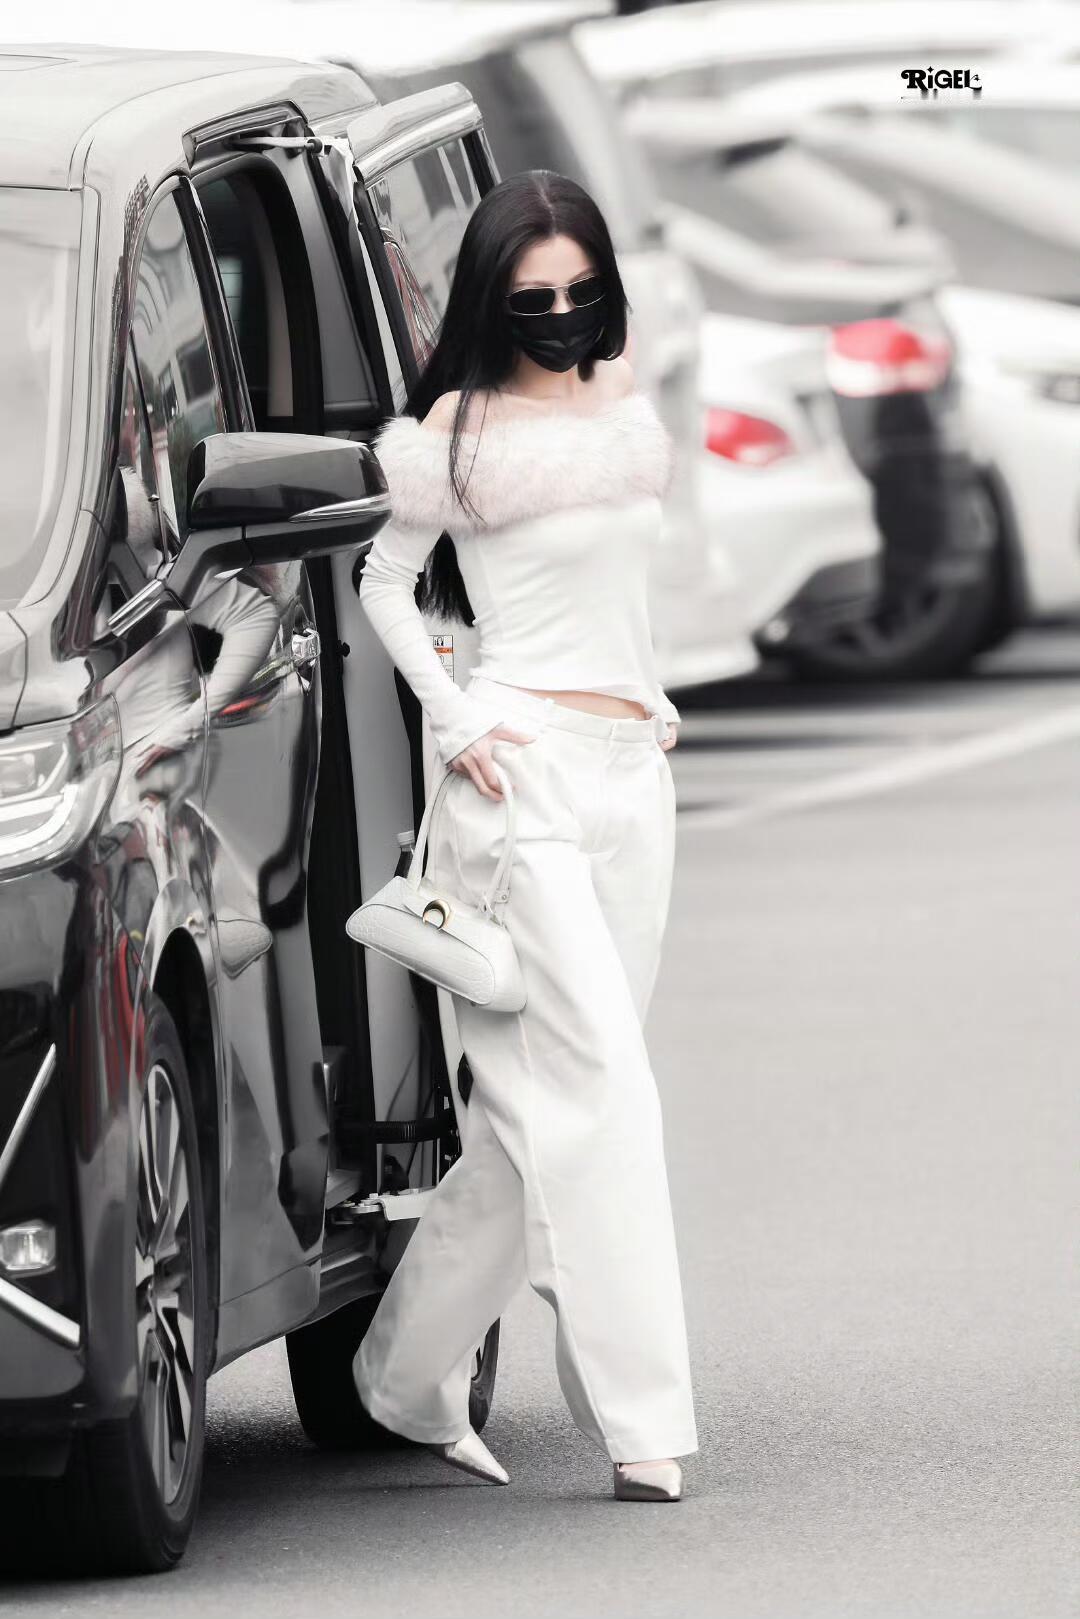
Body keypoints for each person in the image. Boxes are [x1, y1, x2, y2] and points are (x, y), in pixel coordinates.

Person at [351, 169, 698, 1503]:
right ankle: (644, 1422)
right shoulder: (459, 429)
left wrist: (651, 693)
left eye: (579, 291)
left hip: (630, 781)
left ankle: (401, 1381)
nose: (560, 315)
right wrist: (455, 720)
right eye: (531, 297)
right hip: (519, 781)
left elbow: (621, 583)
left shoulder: (623, 402)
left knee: (530, 1121)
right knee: (606, 1094)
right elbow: (386, 583)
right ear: (493, 303)